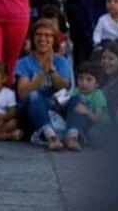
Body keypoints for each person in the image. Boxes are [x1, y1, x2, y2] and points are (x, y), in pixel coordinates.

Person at [16, 19, 72, 150]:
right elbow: (22, 93)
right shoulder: (24, 62)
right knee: (34, 95)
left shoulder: (61, 62)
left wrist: (52, 69)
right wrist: (42, 72)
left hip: (53, 105)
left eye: (48, 35)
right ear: (33, 38)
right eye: (39, 34)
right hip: (29, 109)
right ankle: (50, 136)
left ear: (54, 40)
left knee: (77, 99)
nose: (43, 38)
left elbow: (64, 89)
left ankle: (73, 136)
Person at [63, 62, 108, 151]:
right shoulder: (76, 91)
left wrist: (86, 111)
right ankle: (73, 137)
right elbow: (66, 100)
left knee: (94, 133)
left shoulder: (98, 95)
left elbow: (98, 119)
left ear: (96, 84)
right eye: (80, 78)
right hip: (80, 124)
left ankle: (75, 137)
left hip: (98, 125)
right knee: (77, 99)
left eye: (89, 79)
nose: (83, 82)